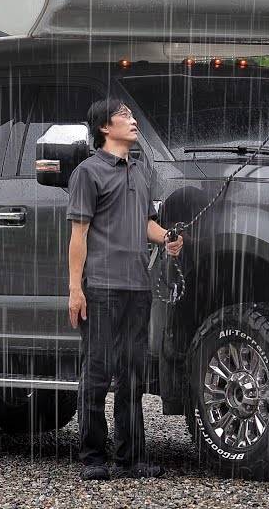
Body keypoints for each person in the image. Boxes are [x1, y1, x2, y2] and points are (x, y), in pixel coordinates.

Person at [66, 98, 183, 481]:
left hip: (137, 287)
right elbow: (78, 235)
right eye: (125, 116)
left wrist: (166, 237)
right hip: (100, 287)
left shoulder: (140, 170)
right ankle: (93, 457)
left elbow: (145, 222)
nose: (133, 121)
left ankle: (131, 459)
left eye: (133, 115)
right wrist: (75, 289)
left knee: (132, 375)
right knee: (97, 374)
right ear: (105, 127)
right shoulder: (88, 172)